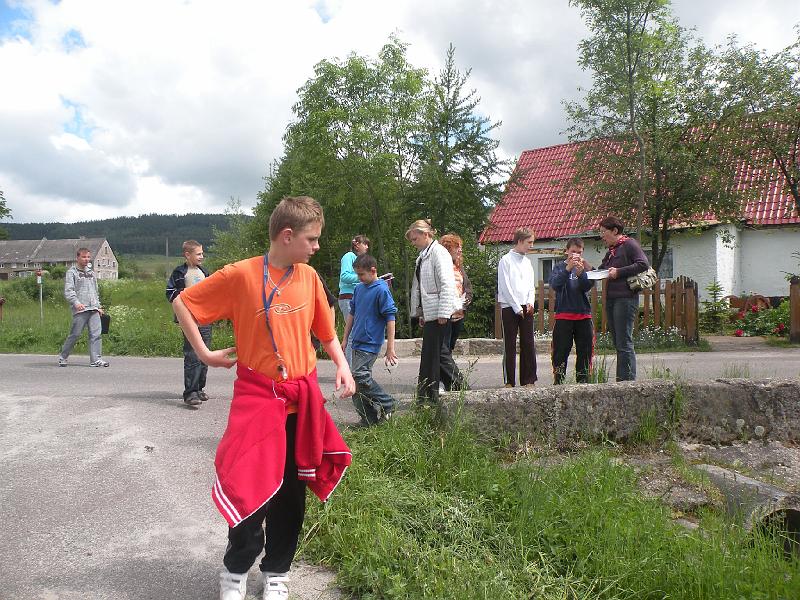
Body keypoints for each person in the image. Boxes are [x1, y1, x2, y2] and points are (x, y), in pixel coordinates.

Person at [171, 196, 355, 600]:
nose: (317, 246)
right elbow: (183, 302)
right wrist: (204, 354)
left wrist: (342, 365)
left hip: (300, 403)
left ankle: (277, 572)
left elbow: (325, 332)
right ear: (287, 236)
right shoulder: (240, 275)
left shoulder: (309, 278)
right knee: (249, 485)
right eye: (311, 239)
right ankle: (236, 571)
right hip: (256, 399)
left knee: (290, 492)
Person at [407, 219, 463, 403]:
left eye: (415, 239)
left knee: (437, 356)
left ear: (426, 234)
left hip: (439, 313)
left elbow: (447, 284)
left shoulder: (438, 253)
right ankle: (433, 396)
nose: (413, 243)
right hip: (431, 313)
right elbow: (421, 288)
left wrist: (444, 313)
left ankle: (451, 392)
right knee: (435, 355)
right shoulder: (424, 256)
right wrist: (421, 312)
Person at [341, 253, 398, 425]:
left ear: (373, 270)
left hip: (370, 342)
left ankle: (388, 403)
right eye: (357, 274)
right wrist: (345, 338)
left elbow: (390, 318)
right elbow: (352, 314)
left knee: (360, 376)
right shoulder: (359, 289)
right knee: (356, 383)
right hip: (356, 341)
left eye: (361, 274)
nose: (359, 278)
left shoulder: (381, 289)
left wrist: (390, 347)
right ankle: (368, 418)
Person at [598, 216, 650, 382]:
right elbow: (602, 270)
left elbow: (643, 264)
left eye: (603, 232)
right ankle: (622, 380)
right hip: (612, 299)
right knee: (618, 341)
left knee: (624, 341)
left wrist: (618, 272)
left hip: (626, 299)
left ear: (615, 231)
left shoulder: (629, 244)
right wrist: (584, 267)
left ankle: (627, 381)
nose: (601, 236)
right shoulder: (612, 251)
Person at [166, 240, 212, 407]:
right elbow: (170, 292)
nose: (202, 256)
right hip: (189, 319)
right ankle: (190, 393)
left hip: (205, 318)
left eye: (202, 253)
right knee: (192, 355)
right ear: (187, 255)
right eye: (198, 254)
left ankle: (199, 388)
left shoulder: (204, 272)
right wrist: (185, 293)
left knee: (204, 355)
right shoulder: (180, 272)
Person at [549, 237, 595, 384]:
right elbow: (555, 285)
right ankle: (559, 382)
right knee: (560, 353)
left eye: (579, 252)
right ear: (567, 251)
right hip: (564, 316)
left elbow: (587, 286)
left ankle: (583, 382)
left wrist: (581, 274)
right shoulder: (559, 267)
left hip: (583, 315)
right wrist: (568, 268)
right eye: (573, 252)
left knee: (585, 352)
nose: (576, 255)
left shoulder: (584, 268)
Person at [497, 227, 537, 387]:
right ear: (520, 241)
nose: (531, 246)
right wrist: (516, 307)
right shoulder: (505, 260)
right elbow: (505, 286)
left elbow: (531, 285)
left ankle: (529, 379)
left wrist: (530, 302)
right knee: (510, 343)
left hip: (526, 306)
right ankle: (509, 381)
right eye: (529, 242)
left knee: (528, 342)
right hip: (509, 306)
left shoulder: (527, 262)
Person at [57, 247, 109, 368]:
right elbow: (69, 291)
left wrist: (98, 306)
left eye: (88, 257)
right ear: (78, 258)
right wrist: (76, 303)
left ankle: (96, 360)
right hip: (81, 309)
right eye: (84, 257)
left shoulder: (91, 272)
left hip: (93, 309)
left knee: (96, 334)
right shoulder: (72, 272)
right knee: (75, 334)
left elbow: (95, 291)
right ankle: (63, 357)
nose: (86, 259)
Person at [338, 235, 370, 363]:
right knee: (351, 333)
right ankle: (349, 367)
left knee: (356, 332)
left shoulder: (359, 260)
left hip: (357, 298)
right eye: (364, 244)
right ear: (357, 245)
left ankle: (355, 365)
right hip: (348, 297)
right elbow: (344, 276)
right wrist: (363, 277)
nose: (367, 247)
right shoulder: (349, 256)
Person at [439, 234, 473, 354]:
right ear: (447, 249)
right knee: (444, 348)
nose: (460, 250)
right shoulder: (440, 266)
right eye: (457, 247)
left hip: (459, 313)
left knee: (450, 347)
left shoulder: (459, 267)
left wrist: (467, 298)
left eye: (460, 247)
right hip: (445, 313)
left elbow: (467, 286)